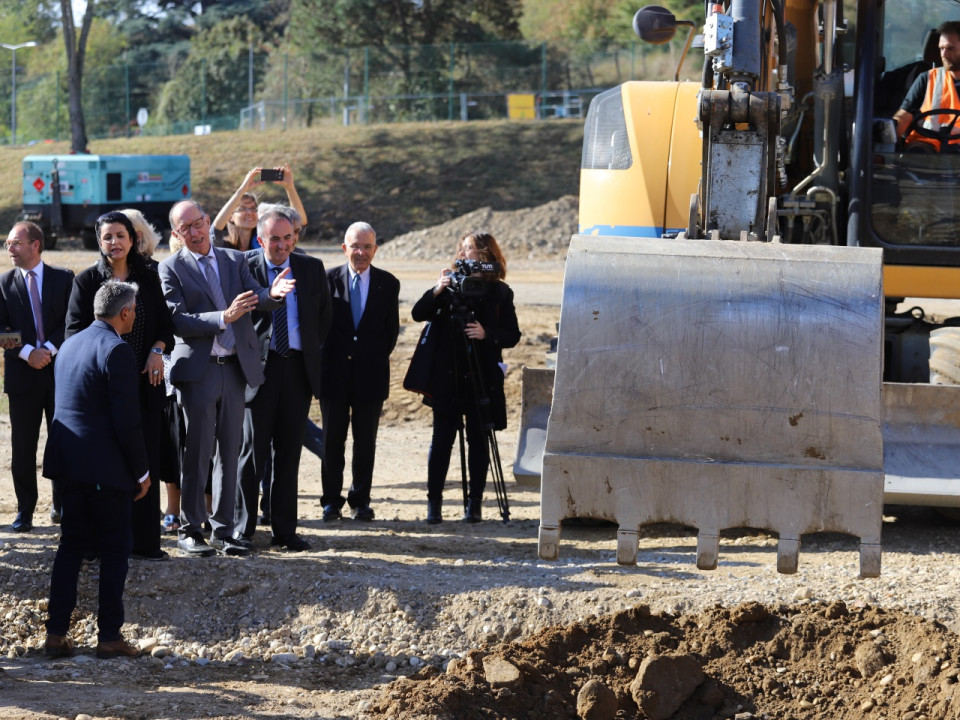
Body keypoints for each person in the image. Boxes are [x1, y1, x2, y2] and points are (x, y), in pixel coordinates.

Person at [159, 200, 295, 558]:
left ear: (209, 222)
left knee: (230, 452)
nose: (194, 232)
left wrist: (272, 295)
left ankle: (223, 530)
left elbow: (256, 297)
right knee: (198, 452)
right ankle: (190, 530)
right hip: (199, 371)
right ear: (176, 233)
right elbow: (178, 319)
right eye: (185, 228)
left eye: (198, 223)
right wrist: (223, 317)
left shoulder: (234, 259)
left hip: (236, 368)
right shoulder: (170, 268)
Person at [42, 280, 150, 660]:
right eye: (134, 310)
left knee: (70, 546)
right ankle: (109, 636)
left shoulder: (69, 344)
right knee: (115, 550)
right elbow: (126, 421)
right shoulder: (117, 350)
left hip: (68, 465)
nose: (135, 315)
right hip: (105, 471)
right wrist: (141, 472)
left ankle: (55, 633)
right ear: (125, 312)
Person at [65, 211, 174, 561]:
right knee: (107, 464)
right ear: (99, 242)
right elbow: (73, 333)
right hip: (102, 390)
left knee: (146, 459)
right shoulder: (87, 281)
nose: (114, 242)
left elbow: (166, 326)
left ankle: (144, 542)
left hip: (145, 384)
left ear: (133, 239)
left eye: (120, 236)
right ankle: (101, 543)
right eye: (107, 237)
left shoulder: (151, 277)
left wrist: (157, 351)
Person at [235, 208, 331, 551]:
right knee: (251, 454)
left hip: (296, 369)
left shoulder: (311, 268)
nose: (282, 245)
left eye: (288, 237)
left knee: (288, 454)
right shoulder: (243, 266)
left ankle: (284, 531)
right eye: (274, 238)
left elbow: (323, 320)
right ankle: (242, 530)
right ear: (261, 240)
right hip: (257, 371)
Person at [411, 231, 520, 524]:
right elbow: (418, 313)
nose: (462, 254)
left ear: (485, 254)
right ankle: (434, 504)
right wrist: (437, 290)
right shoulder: (450, 287)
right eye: (461, 249)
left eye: (469, 248)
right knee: (442, 440)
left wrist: (486, 334)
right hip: (447, 376)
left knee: (479, 440)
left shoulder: (499, 292)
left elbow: (513, 335)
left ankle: (475, 504)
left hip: (482, 376)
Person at [320, 222, 400, 522]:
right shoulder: (327, 280)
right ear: (345, 248)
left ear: (375, 249)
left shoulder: (388, 283)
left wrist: (369, 358)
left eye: (367, 247)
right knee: (332, 442)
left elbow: (390, 332)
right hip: (333, 376)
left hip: (370, 376)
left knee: (365, 443)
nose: (361, 252)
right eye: (355, 246)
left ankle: (360, 501)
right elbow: (319, 328)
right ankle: (331, 502)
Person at [0, 221, 74, 532]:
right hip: (22, 377)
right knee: (23, 447)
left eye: (16, 242)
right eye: (8, 243)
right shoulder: (3, 283)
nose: (10, 248)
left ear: (35, 245)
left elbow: (73, 321)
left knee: (63, 443)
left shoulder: (64, 278)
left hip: (60, 374)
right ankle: (25, 511)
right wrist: (28, 352)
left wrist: (49, 350)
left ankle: (62, 507)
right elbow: (1, 329)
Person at [211, 164, 308, 251]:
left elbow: (300, 222)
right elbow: (215, 231)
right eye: (242, 209)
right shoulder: (224, 247)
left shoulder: (265, 244)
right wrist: (242, 189)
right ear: (230, 217)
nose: (250, 212)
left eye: (253, 208)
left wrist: (289, 187)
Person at [895, 21, 960, 148]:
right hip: (927, 150)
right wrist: (889, 143)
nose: (943, 54)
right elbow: (904, 117)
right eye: (941, 49)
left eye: (950, 48)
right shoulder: (928, 79)